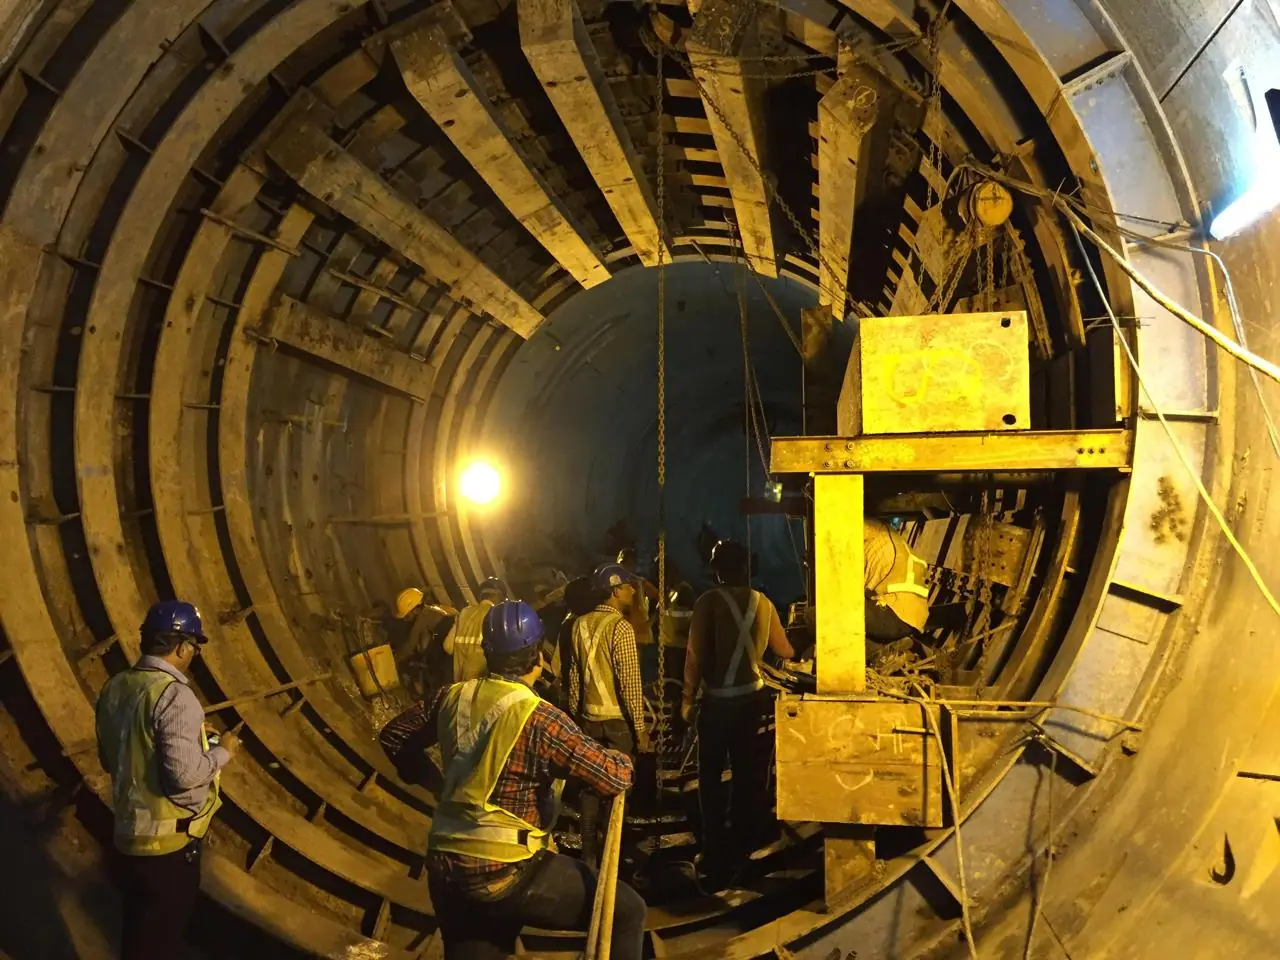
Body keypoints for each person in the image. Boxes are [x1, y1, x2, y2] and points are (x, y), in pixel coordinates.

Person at [379, 601, 645, 960]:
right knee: (628, 913)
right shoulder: (540, 718)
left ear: (488, 653)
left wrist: (436, 783)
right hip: (506, 873)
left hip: (446, 872)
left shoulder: (451, 696)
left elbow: (394, 736)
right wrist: (623, 759)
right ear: (537, 657)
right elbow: (612, 777)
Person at [95, 601, 240, 960]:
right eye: (194, 646)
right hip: (168, 851)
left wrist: (190, 738)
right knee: (160, 942)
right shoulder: (176, 695)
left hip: (127, 838)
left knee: (137, 938)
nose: (192, 654)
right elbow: (185, 777)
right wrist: (224, 751)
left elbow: (113, 755)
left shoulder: (115, 687)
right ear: (182, 646)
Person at [682, 540, 794, 888]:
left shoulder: (707, 602)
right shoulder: (764, 603)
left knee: (711, 777)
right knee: (748, 773)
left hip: (717, 704)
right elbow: (785, 650)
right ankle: (745, 846)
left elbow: (695, 657)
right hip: (752, 702)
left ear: (716, 569)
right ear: (747, 566)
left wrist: (687, 700)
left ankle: (713, 849)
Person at [568, 563, 649, 867]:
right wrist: (639, 730)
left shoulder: (579, 625)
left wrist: (577, 721)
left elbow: (575, 677)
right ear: (615, 591)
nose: (632, 590)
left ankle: (588, 853)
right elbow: (630, 683)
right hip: (616, 723)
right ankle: (613, 854)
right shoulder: (621, 628)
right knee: (618, 789)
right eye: (628, 585)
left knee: (589, 787)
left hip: (588, 720)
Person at [864, 516, 930, 644]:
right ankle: (880, 652)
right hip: (914, 619)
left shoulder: (865, 533)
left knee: (816, 619)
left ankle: (878, 652)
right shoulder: (887, 537)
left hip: (893, 612)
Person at [442, 577, 509, 684]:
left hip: (460, 687)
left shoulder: (464, 613)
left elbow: (448, 647)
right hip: (483, 688)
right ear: (499, 597)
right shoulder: (498, 616)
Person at [391, 587, 456, 695]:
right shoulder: (434, 609)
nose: (406, 619)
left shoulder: (424, 618)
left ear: (416, 609)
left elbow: (411, 644)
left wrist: (395, 660)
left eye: (407, 616)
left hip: (444, 660)